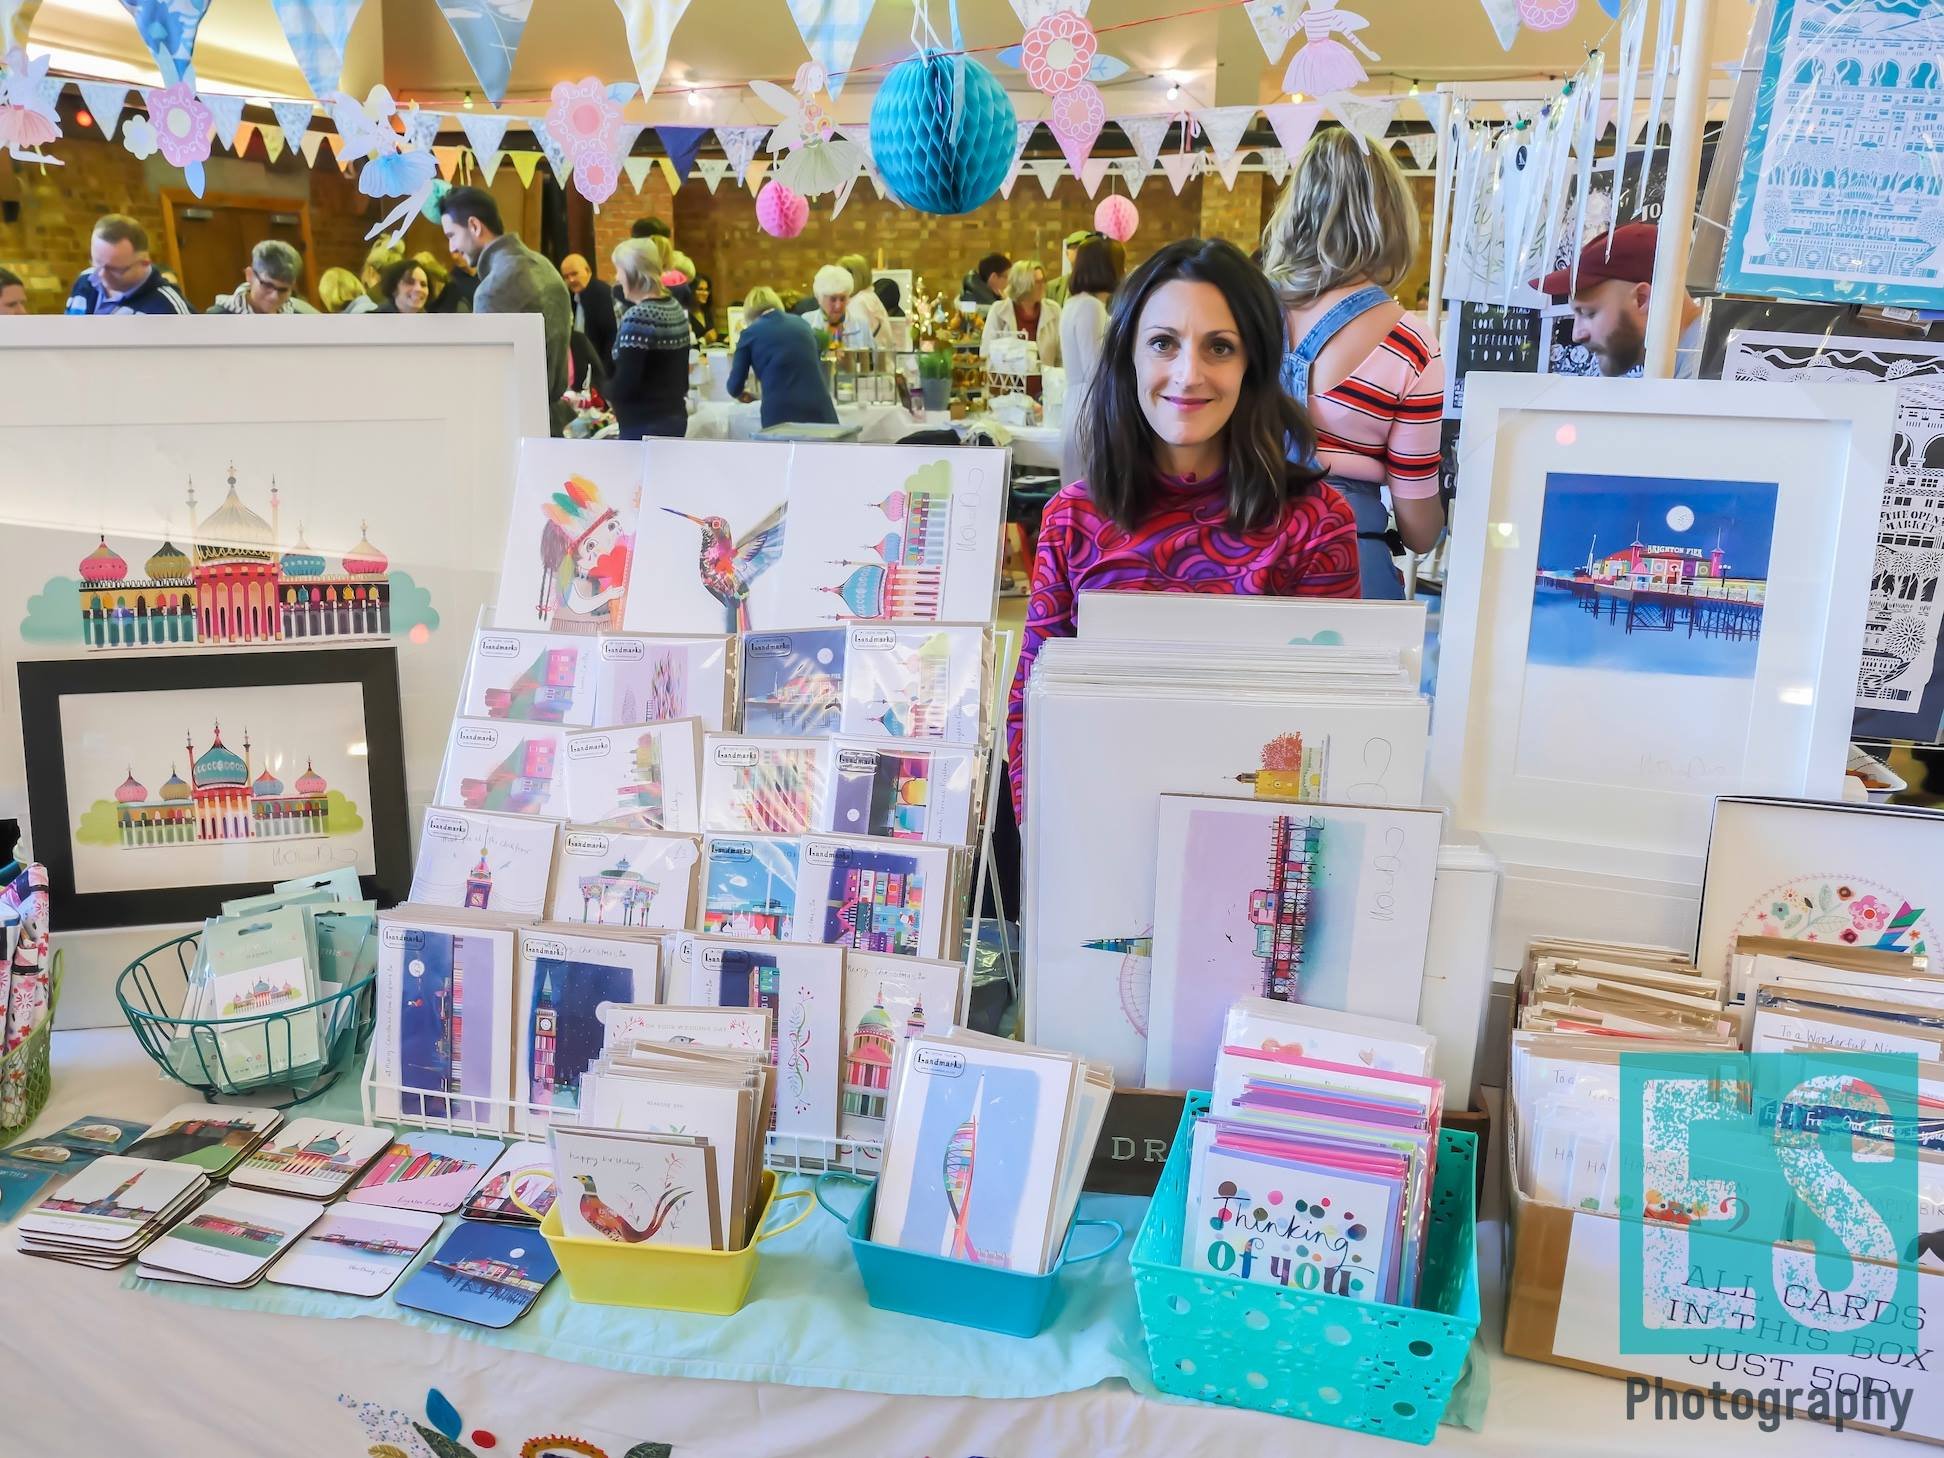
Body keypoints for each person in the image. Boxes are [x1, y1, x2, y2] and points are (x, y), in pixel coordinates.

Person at [1007, 237, 1356, 816]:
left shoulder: (1313, 524)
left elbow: (1330, 725)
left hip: (1256, 831)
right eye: (1163, 343)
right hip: (1096, 823)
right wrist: (1044, 842)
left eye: (1220, 347)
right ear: (1130, 356)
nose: (1188, 374)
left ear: (1252, 364)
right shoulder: (1074, 519)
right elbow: (1031, 708)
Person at [1262, 127, 1445, 599]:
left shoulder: (1240, 314)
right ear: (1391, 217)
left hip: (1237, 561)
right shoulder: (1411, 344)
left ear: (1295, 209)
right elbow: (1419, 531)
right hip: (1350, 565)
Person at [440, 186, 573, 434]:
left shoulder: (494, 288)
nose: (451, 248)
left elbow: (488, 381)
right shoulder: (544, 265)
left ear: (474, 226)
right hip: (552, 423)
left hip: (516, 427)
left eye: (451, 235)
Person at [1536, 221, 1703, 379]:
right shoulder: (1690, 366)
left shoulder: (1708, 375)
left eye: (1588, 313)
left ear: (1641, 299)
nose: (1577, 335)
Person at [606, 236, 692, 439]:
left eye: (619, 270)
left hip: (643, 424)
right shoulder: (674, 307)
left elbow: (626, 383)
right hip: (674, 416)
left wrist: (604, 388)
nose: (617, 277)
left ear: (633, 273)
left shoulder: (639, 317)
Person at [1057, 238, 1124, 486]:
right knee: (1091, 487)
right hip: (1091, 405)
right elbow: (1096, 368)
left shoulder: (1074, 304)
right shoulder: (1091, 307)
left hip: (1077, 403)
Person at [727, 285, 840, 430]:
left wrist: (743, 394)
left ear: (748, 312)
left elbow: (734, 386)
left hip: (781, 414)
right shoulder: (802, 323)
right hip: (820, 410)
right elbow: (819, 345)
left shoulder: (749, 334)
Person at [65, 214, 191, 315]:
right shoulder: (85, 280)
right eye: (97, 263)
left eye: (115, 270)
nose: (101, 275)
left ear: (144, 262)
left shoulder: (168, 309)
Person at [982, 257, 1061, 366]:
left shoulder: (1054, 310)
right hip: (1008, 376)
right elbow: (987, 352)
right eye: (1037, 282)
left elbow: (1062, 356)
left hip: (1046, 376)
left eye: (1043, 281)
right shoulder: (998, 311)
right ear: (1022, 285)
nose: (1042, 286)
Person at [207, 239, 316, 314]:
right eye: (267, 285)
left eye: (283, 290)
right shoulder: (217, 320)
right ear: (250, 275)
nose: (274, 297)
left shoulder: (302, 316)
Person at [813, 263, 890, 350]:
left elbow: (871, 356)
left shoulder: (862, 325)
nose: (838, 306)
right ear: (820, 299)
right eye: (833, 299)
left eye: (843, 299)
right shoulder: (807, 323)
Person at [559, 252, 618, 367]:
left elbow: (611, 337)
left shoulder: (602, 295)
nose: (571, 280)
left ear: (588, 271)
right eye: (566, 277)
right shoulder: (572, 297)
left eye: (574, 274)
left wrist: (603, 372)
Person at [1046, 228, 1099, 307]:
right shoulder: (1053, 287)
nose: (1081, 252)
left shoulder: (1102, 287)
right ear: (1067, 253)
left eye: (1086, 248)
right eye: (1075, 247)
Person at [434, 247, 479, 313]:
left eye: (461, 251)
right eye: (455, 252)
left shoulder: (487, 272)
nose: (456, 257)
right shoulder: (451, 281)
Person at [686, 272, 719, 344]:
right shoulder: (685, 315)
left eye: (706, 289)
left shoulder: (707, 312)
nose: (705, 293)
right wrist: (703, 340)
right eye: (700, 289)